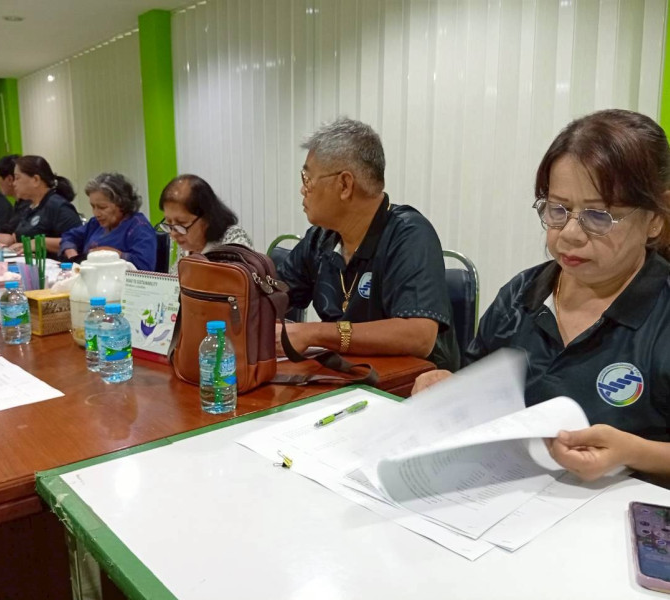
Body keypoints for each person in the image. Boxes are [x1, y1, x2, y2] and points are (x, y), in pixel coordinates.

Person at [413, 109, 670, 483]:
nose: (570, 234)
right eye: (558, 209)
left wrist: (635, 452)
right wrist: (447, 390)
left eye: (599, 216)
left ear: (655, 217)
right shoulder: (520, 297)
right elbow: (479, 393)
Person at [275, 117, 458, 371]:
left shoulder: (410, 234)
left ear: (345, 185)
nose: (303, 190)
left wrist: (314, 333)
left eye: (308, 178)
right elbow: (274, 295)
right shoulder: (320, 239)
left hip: (408, 386)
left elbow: (419, 335)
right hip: (348, 378)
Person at [0, 155, 81, 257]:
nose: (14, 183)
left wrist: (40, 243)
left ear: (35, 180)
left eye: (17, 178)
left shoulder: (58, 206)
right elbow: (15, 238)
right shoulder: (30, 207)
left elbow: (78, 240)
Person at [158, 174, 253, 274]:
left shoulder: (234, 243)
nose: (173, 234)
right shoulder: (184, 243)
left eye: (182, 223)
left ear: (207, 218)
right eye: (168, 222)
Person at [60, 172, 157, 270]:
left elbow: (144, 267)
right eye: (93, 206)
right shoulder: (95, 223)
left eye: (102, 207)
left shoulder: (140, 228)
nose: (96, 213)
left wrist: (113, 254)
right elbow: (69, 236)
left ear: (122, 204)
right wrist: (72, 254)